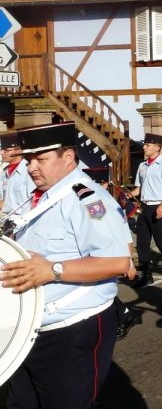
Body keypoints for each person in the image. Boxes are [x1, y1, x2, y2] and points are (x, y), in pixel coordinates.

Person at [1, 121, 131, 408]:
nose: (32, 167)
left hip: (72, 330)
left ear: (68, 157)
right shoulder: (38, 198)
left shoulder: (88, 200)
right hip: (32, 328)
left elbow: (119, 262)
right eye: (29, 159)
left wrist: (52, 270)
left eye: (41, 159)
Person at [82, 166, 141, 342]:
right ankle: (122, 314)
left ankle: (123, 315)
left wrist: (129, 262)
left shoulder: (104, 203)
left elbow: (123, 233)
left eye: (96, 183)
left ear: (105, 184)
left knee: (101, 288)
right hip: (92, 254)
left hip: (106, 255)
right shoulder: (90, 200)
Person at [127, 132, 162, 287]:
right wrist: (127, 195)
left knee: (161, 241)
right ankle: (146, 273)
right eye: (145, 144)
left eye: (147, 145)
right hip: (144, 207)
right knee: (142, 242)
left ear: (157, 147)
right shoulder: (142, 166)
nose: (144, 147)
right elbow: (139, 189)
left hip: (159, 206)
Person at [0, 131, 34, 215]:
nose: (1, 152)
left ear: (18, 151)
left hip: (23, 221)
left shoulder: (28, 171)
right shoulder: (4, 172)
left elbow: (33, 202)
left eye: (6, 150)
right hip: (6, 220)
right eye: (1, 149)